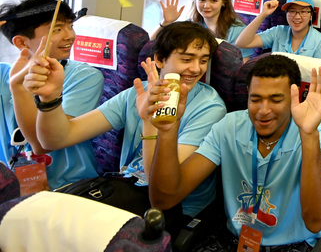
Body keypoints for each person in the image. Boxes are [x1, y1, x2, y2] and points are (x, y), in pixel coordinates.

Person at [27, 21, 226, 217]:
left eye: (203, 60)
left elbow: (155, 184)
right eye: (187, 59)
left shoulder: (209, 108)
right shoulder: (137, 93)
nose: (196, 69)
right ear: (160, 60)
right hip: (125, 187)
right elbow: (57, 139)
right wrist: (50, 99)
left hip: (172, 210)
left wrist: (149, 122)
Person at [148, 54, 321, 251]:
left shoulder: (318, 134)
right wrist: (168, 131)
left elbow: (316, 222)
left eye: (275, 100)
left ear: (294, 97)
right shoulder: (229, 126)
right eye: (255, 99)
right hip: (234, 239)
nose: (263, 110)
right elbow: (164, 199)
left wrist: (308, 135)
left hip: (292, 243)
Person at [0, 0, 103, 189]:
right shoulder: (3, 75)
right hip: (12, 184)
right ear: (22, 42)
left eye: (70, 26)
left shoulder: (84, 77)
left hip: (69, 184)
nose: (69, 36)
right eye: (56, 29)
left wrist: (19, 88)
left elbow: (43, 144)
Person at [153, 0, 255, 60]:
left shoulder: (238, 30)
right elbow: (150, 46)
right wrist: (166, 22)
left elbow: (242, 67)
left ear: (224, 2)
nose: (206, 5)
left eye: (214, 0)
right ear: (195, 0)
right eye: (202, 0)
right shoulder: (191, 25)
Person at [236, 0, 321, 61]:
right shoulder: (278, 32)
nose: (297, 16)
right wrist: (263, 14)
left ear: (311, 15)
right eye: (292, 11)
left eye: (303, 11)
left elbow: (320, 77)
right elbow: (242, 43)